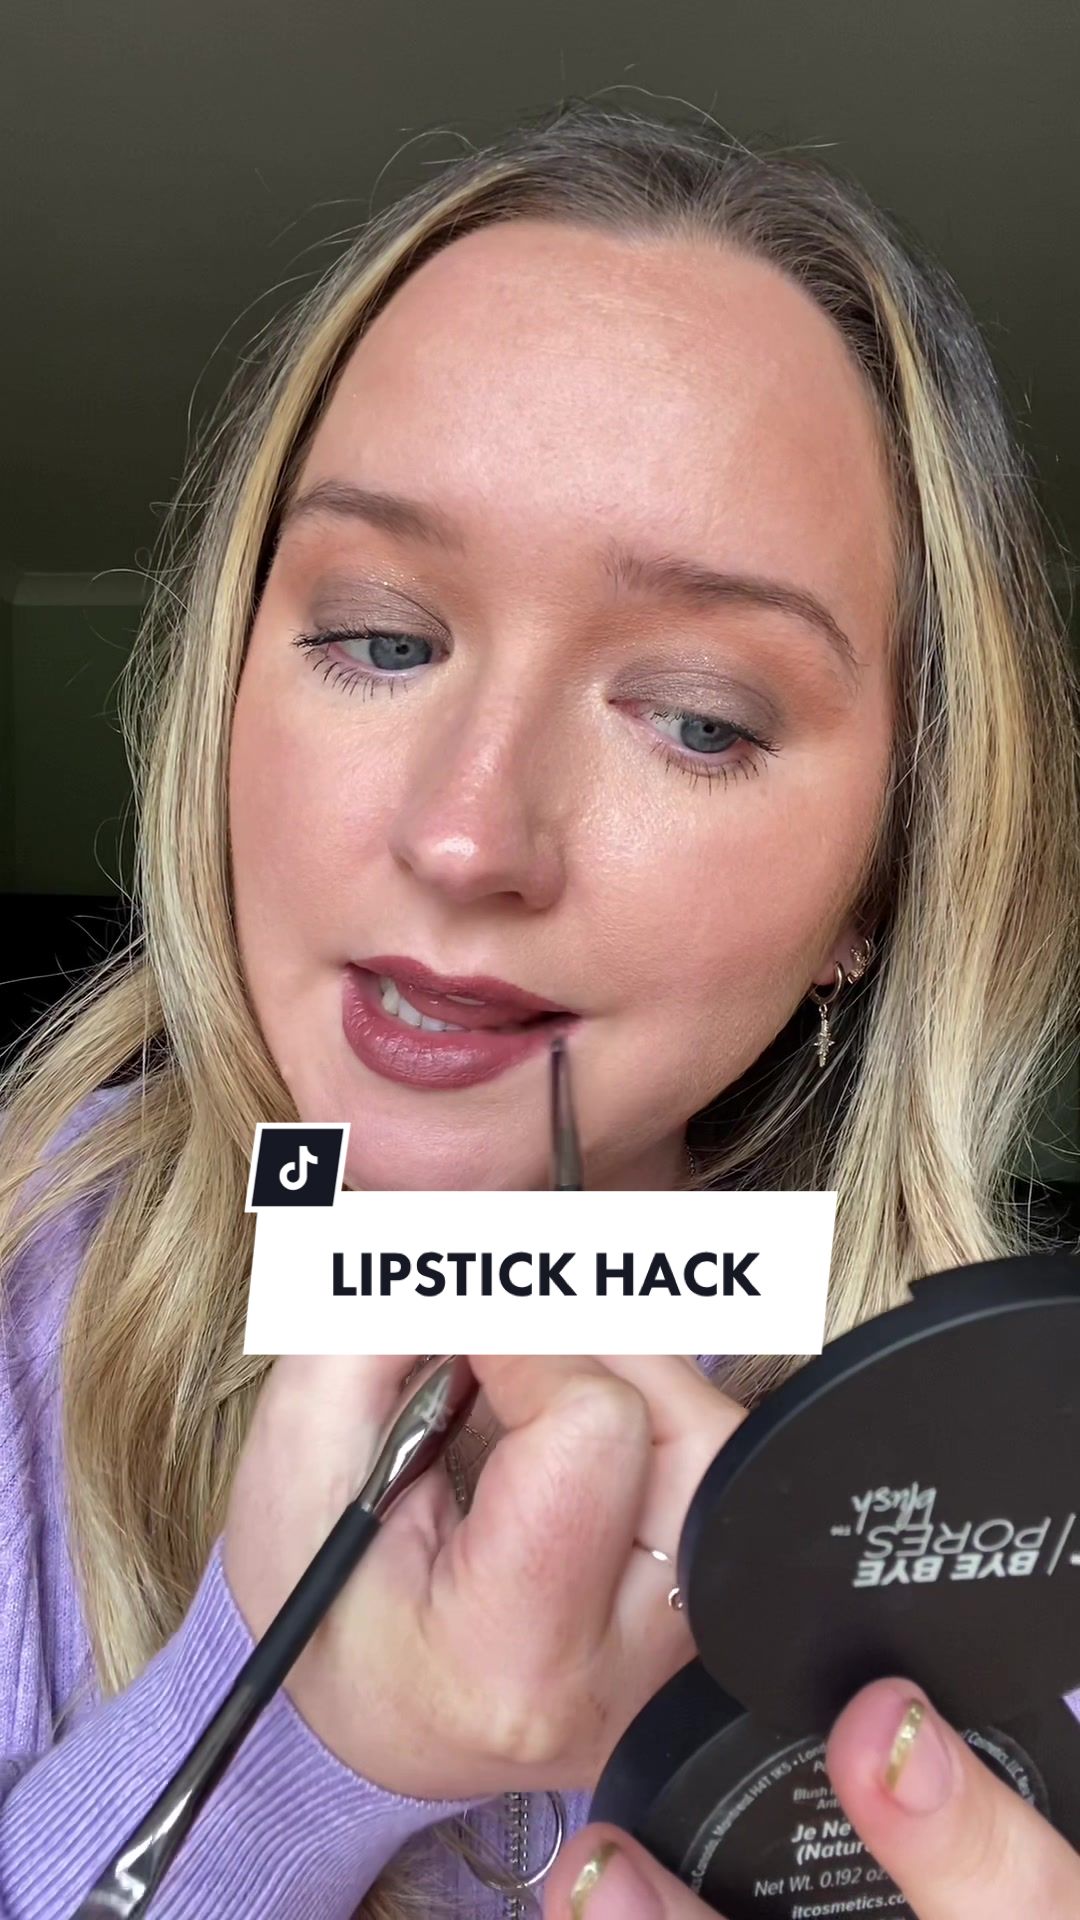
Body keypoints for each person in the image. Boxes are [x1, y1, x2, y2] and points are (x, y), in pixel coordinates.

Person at [0, 97, 1077, 1920]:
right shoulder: (22, 1261)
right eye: (380, 639)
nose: (467, 833)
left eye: (699, 720)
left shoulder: (1032, 1491)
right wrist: (277, 1750)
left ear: (877, 884)